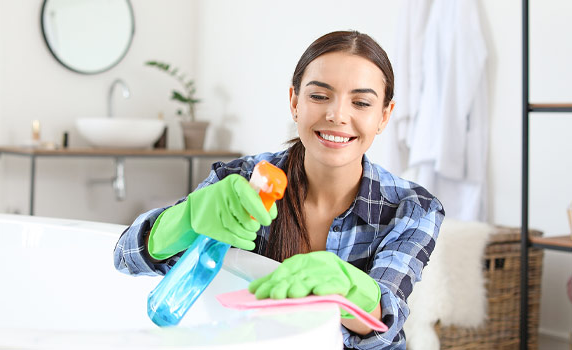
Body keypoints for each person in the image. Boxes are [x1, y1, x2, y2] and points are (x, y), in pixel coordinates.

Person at [114, 30, 444, 349]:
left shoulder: (412, 208)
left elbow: (385, 328)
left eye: (361, 103)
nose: (337, 115)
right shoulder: (243, 180)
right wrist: (184, 220)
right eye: (319, 96)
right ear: (294, 101)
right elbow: (125, 256)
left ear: (385, 116)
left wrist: (352, 293)